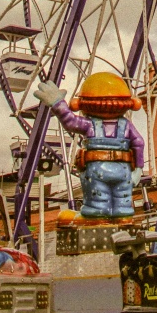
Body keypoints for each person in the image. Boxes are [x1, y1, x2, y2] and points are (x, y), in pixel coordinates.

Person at [34, 72, 144, 219]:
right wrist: (138, 169)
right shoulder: (126, 126)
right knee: (122, 206)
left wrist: (57, 103)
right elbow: (139, 143)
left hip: (96, 170)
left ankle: (99, 216)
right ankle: (121, 217)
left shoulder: (90, 125)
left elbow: (70, 121)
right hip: (123, 171)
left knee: (98, 206)